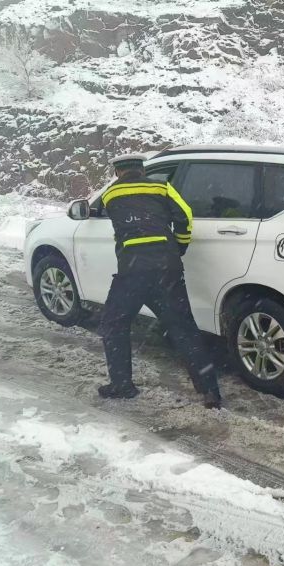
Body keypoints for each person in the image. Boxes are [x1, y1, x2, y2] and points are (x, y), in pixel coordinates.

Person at [98, 154, 222, 409]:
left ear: (119, 172)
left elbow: (122, 226)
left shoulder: (110, 195)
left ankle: (122, 385)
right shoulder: (162, 187)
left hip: (131, 273)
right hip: (166, 269)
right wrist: (179, 246)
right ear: (141, 170)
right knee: (184, 328)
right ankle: (210, 391)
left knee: (114, 324)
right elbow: (185, 216)